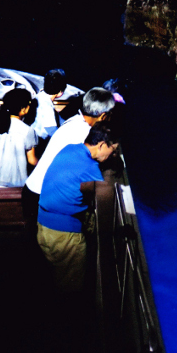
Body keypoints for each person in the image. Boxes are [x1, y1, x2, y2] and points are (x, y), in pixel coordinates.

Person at [36, 123, 119, 291]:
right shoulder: (90, 169)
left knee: (53, 280)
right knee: (71, 288)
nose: (113, 155)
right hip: (64, 236)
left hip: (43, 227)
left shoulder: (69, 149)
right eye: (113, 150)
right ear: (102, 145)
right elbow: (103, 194)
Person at [22, 87, 116, 225]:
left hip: (32, 189)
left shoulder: (75, 120)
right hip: (42, 196)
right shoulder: (85, 136)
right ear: (103, 116)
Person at [32, 68, 67, 140]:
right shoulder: (47, 106)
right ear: (60, 92)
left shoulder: (39, 96)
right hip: (40, 141)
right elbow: (51, 130)